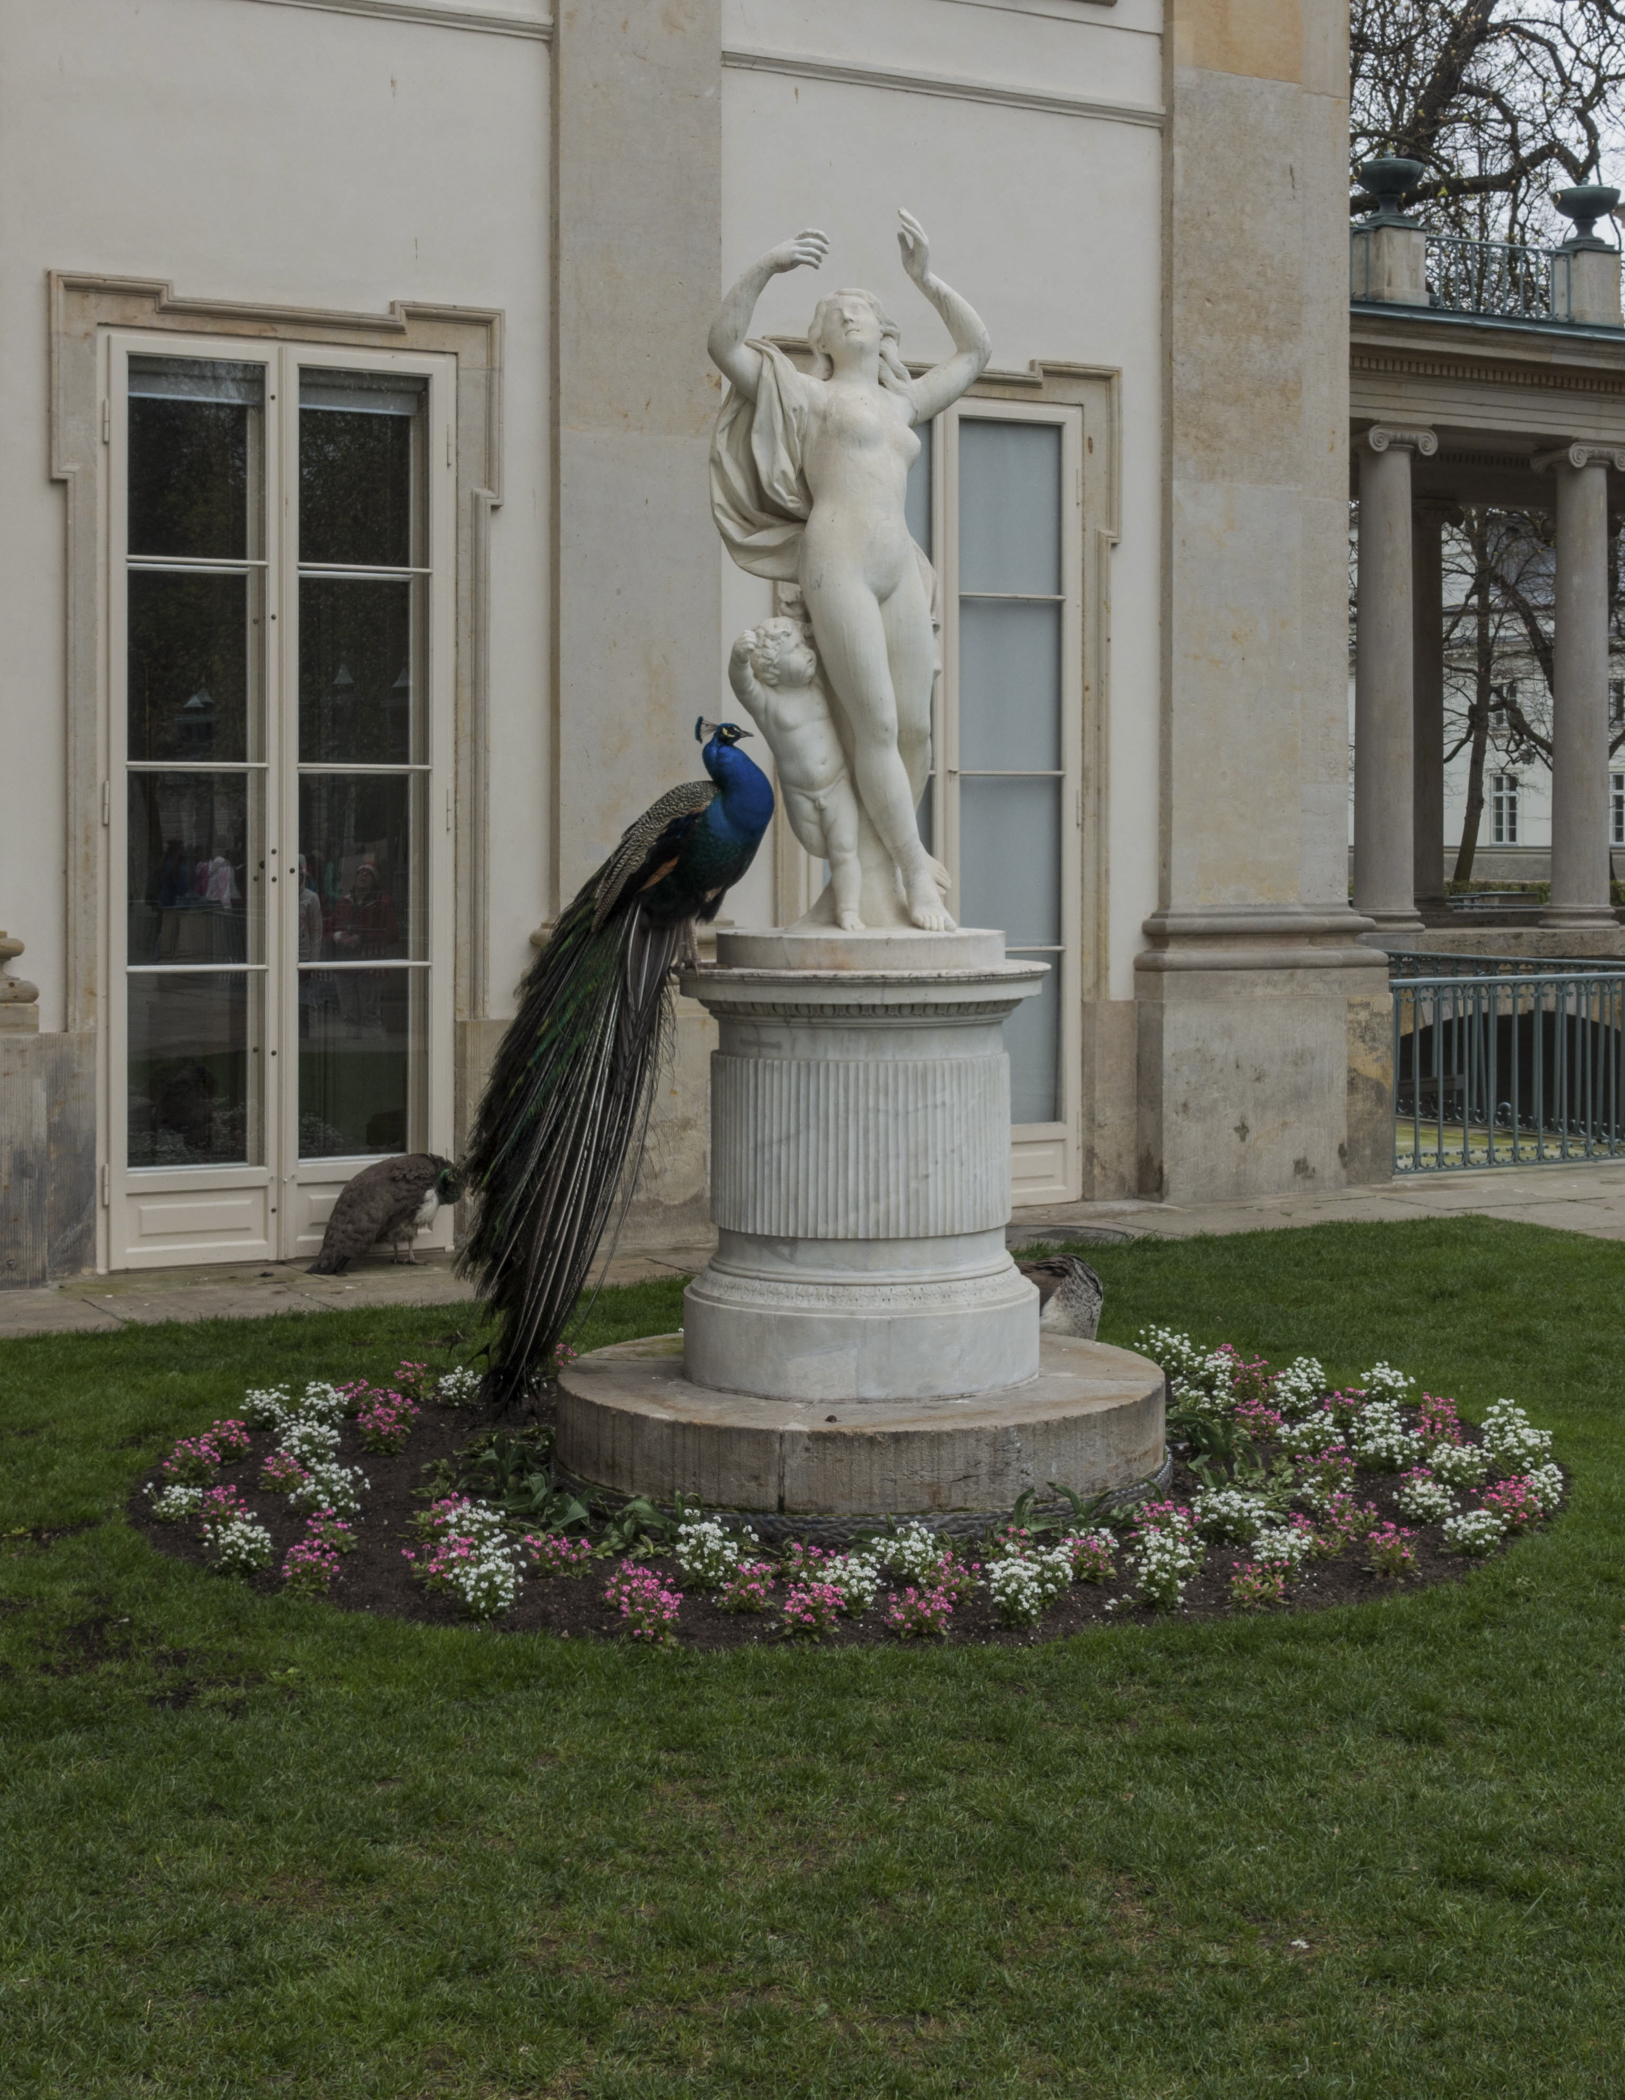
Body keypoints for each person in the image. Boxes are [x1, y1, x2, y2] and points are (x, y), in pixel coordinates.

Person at [709, 210, 991, 931]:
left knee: (915, 730)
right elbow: (723, 345)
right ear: (821, 341)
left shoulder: (903, 401)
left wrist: (926, 279)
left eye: (860, 308)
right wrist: (767, 267)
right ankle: (913, 872)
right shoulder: (807, 394)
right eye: (836, 313)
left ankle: (891, 865)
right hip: (836, 559)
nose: (850, 314)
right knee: (877, 724)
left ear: (880, 330)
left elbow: (975, 352)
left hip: (898, 564)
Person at [728, 618, 867, 930]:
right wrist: (738, 659)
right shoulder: (766, 702)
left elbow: (829, 649)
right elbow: (742, 685)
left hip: (837, 783)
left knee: (845, 850)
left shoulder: (816, 685)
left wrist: (810, 630)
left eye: (804, 647)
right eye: (796, 650)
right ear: (772, 667)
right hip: (800, 793)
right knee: (817, 847)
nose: (807, 654)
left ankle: (848, 910)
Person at [332, 859, 399, 1031]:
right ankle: (351, 1044)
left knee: (370, 1015)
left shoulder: (382, 903)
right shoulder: (343, 902)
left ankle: (373, 1043)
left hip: (371, 963)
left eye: (368, 873)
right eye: (360, 872)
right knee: (349, 1014)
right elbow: (332, 928)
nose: (363, 875)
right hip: (345, 963)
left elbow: (392, 934)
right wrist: (339, 937)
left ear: (375, 880)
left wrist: (363, 938)